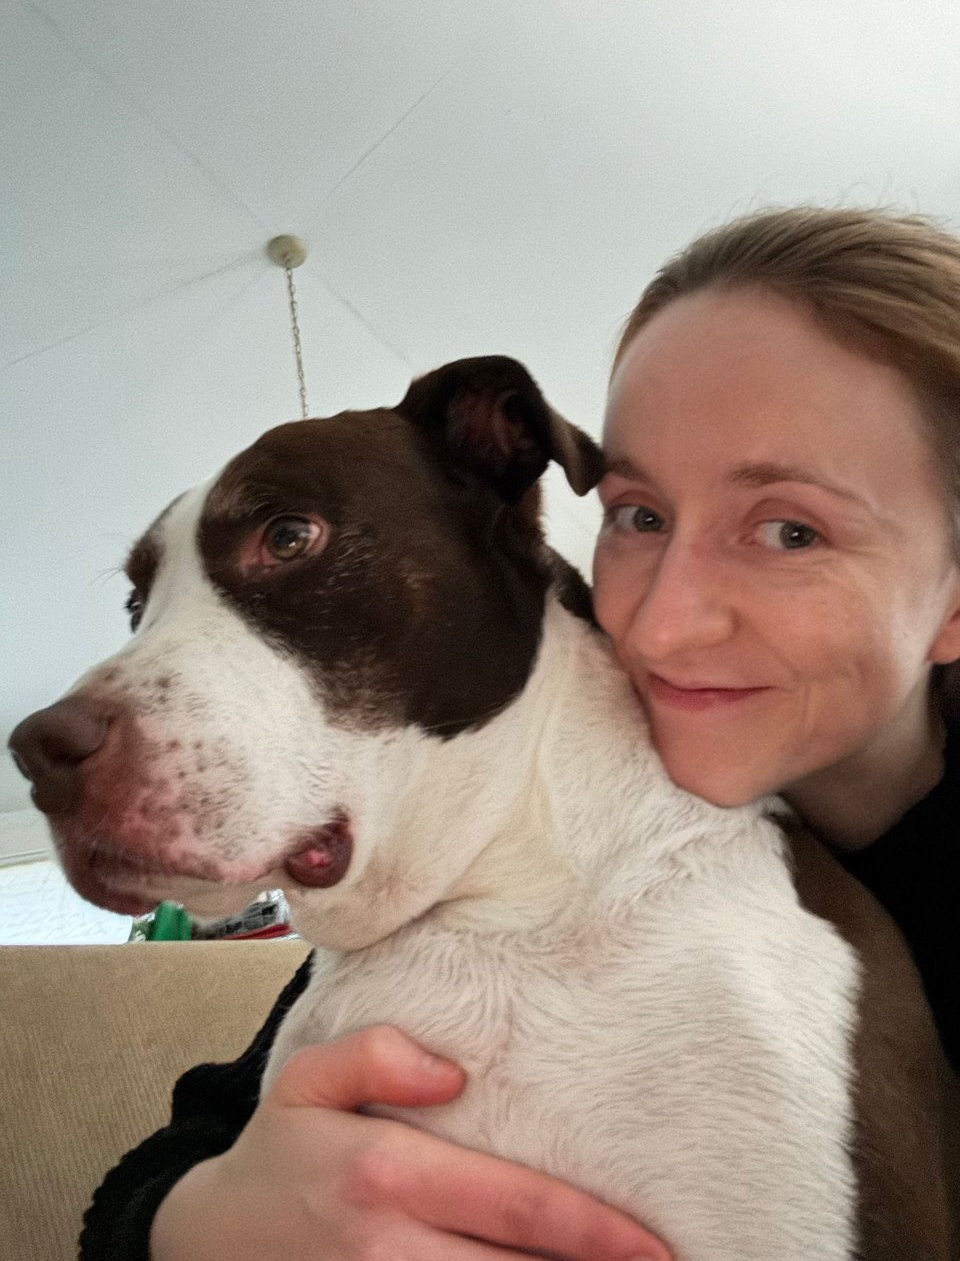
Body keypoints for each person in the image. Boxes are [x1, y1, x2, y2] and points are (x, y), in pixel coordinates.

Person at [80, 206, 959, 1261]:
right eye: (638, 513)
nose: (663, 619)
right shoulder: (496, 841)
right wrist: (202, 1221)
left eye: (789, 529)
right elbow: (181, 1161)